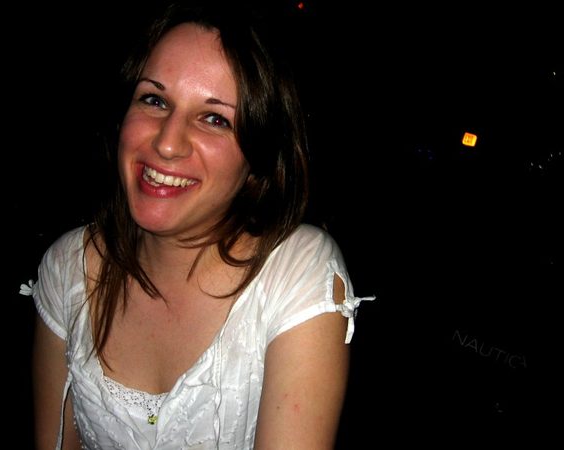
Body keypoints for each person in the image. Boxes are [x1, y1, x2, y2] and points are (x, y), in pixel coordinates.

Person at [21, 1, 374, 448]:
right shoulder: (67, 269)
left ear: (258, 161)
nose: (167, 143)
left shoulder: (296, 274)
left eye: (214, 118)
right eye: (154, 99)